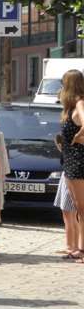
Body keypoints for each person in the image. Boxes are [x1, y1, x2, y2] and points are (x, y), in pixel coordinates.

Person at [60, 70, 84, 262]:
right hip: (70, 161)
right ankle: (79, 249)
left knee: (82, 208)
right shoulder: (69, 108)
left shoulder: (80, 103)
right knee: (77, 208)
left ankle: (82, 250)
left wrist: (77, 137)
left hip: (78, 162)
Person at [53, 133, 80, 260]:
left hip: (72, 176)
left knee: (70, 214)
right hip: (67, 175)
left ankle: (74, 248)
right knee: (67, 213)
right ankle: (70, 245)